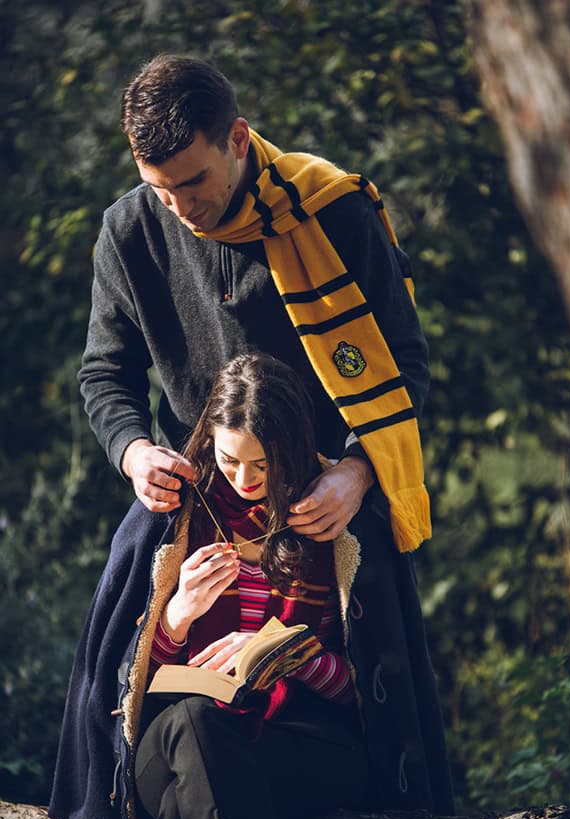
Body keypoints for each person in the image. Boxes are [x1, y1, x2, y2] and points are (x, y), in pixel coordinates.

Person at [49, 353, 452, 819]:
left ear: (290, 449)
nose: (244, 479)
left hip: (302, 745)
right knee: (194, 725)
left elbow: (371, 692)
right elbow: (124, 687)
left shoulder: (330, 518)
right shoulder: (175, 515)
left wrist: (296, 656)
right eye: (230, 459)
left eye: (263, 465)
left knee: (182, 799)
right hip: (176, 739)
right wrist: (178, 614)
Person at [78, 52, 432, 554]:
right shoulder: (128, 230)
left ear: (237, 139)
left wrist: (357, 474)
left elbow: (403, 361)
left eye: (194, 181)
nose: (181, 208)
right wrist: (133, 453)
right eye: (160, 189)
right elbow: (105, 373)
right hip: (194, 518)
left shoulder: (334, 212)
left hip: (327, 513)